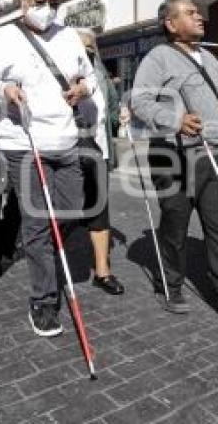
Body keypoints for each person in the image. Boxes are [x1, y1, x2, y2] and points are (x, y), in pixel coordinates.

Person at [0, 0, 95, 338]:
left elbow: (90, 77)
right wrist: (3, 90)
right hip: (23, 142)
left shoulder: (69, 36)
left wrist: (83, 88)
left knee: (71, 209)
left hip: (65, 139)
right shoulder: (0, 38)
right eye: (40, 2)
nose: (47, 9)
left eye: (54, 3)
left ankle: (34, 246)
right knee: (38, 220)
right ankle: (43, 299)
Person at [130, 0, 218, 318]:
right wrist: (175, 120)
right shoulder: (158, 57)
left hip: (212, 155)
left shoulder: (212, 58)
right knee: (175, 226)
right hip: (173, 157)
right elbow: (139, 101)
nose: (199, 16)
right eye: (190, 13)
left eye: (198, 12)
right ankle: (170, 285)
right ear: (171, 24)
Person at [76, 28, 124, 295]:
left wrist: (119, 117)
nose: (87, 51)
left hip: (99, 150)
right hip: (67, 149)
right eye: (82, 47)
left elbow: (112, 103)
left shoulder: (100, 70)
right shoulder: (60, 70)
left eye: (91, 47)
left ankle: (102, 272)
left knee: (99, 208)